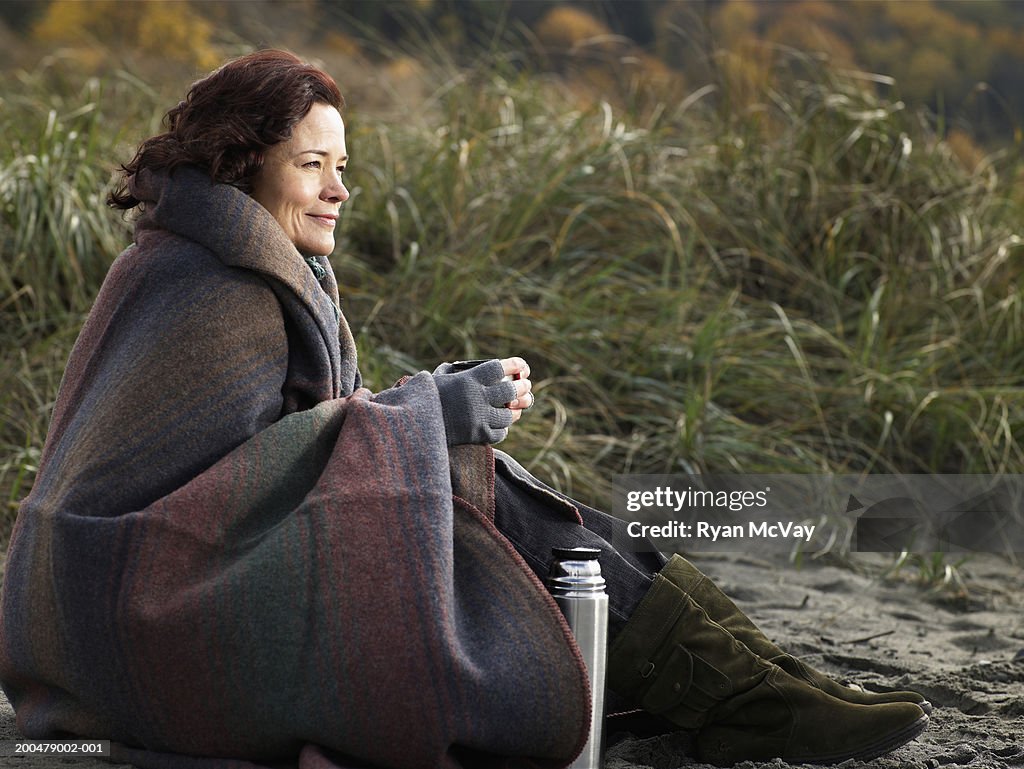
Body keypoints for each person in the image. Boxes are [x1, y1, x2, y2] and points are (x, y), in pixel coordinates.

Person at [0, 50, 930, 769]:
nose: (339, 187)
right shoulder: (214, 288)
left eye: (343, 163)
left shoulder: (216, 263)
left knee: (481, 474)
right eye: (312, 163)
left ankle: (754, 678)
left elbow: (274, 458)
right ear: (243, 169)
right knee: (482, 485)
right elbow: (217, 499)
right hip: (134, 614)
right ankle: (746, 695)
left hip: (127, 601)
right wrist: (426, 417)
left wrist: (428, 407)